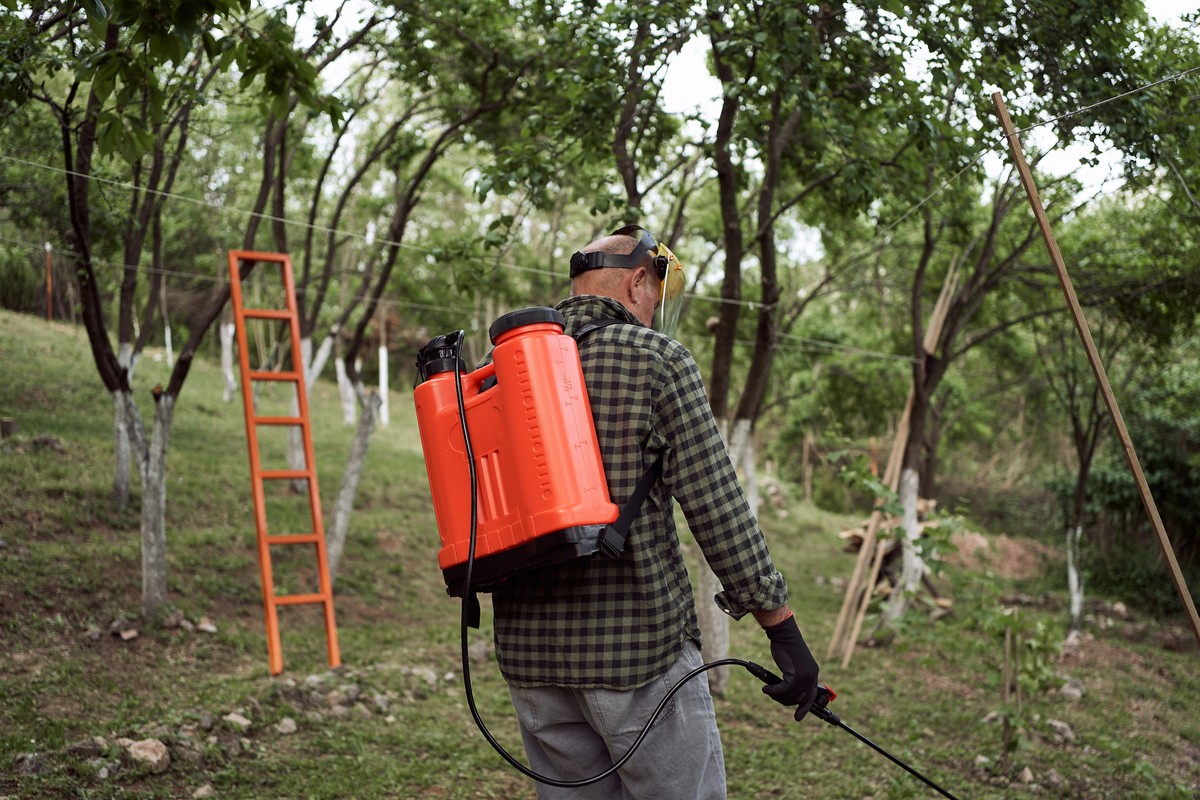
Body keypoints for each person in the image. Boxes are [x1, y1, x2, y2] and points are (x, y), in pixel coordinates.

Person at [490, 226, 820, 800]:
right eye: (657, 296)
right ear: (638, 281)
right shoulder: (657, 359)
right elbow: (718, 508)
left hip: (530, 659)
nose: (654, 311)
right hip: (637, 656)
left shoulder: (497, 369)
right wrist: (782, 629)